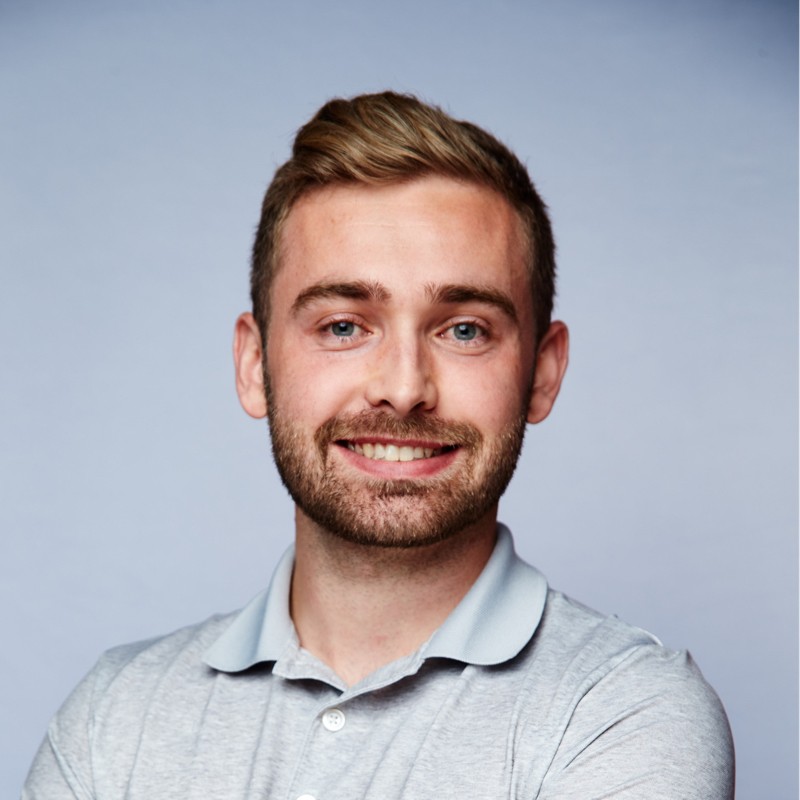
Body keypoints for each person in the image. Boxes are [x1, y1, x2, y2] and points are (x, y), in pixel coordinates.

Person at [23, 91, 734, 799]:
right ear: (254, 366)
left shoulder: (625, 713)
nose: (402, 388)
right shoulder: (113, 718)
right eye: (342, 326)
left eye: (463, 329)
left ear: (542, 374)